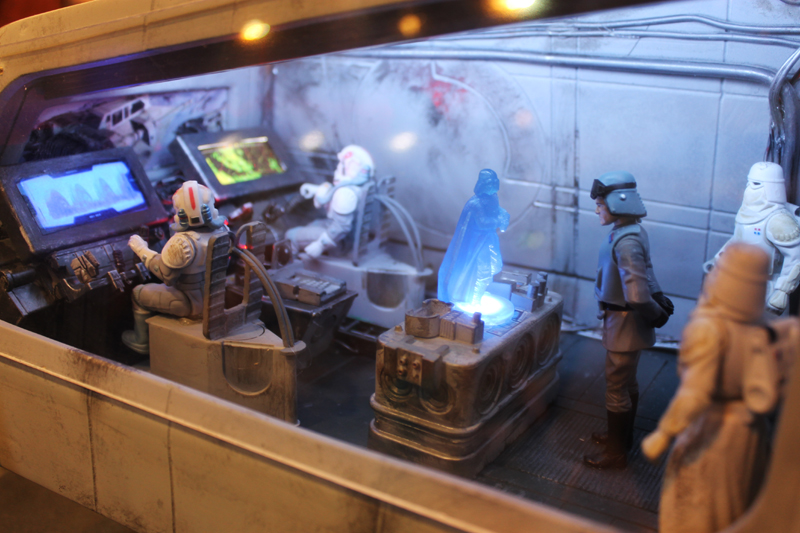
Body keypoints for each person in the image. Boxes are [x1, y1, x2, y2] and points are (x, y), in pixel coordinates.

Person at [643, 243, 787, 533]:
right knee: (737, 505)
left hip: (712, 429)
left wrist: (664, 433)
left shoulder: (710, 329)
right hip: (750, 433)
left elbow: (695, 393)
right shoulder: (764, 327)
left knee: (696, 507)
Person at [585, 171, 672, 470]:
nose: (597, 209)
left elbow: (636, 294)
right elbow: (647, 273)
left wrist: (656, 311)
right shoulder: (629, 233)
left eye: (600, 204)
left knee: (616, 385)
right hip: (622, 317)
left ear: (618, 203)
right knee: (626, 381)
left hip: (624, 322)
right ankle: (621, 438)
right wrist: (657, 300)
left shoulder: (626, 241)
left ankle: (616, 452)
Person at [122, 180, 227, 354]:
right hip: (215, 300)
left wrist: (141, 249)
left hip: (188, 304)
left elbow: (166, 276)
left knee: (138, 293)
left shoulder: (181, 243)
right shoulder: (222, 231)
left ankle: (141, 341)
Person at [705, 162, 800, 314]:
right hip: (738, 281)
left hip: (765, 287)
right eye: (749, 183)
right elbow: (738, 240)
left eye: (756, 184)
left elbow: (796, 257)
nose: (750, 188)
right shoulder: (746, 212)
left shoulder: (779, 220)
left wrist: (782, 291)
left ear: (772, 187)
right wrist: (718, 260)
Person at [437, 168, 510, 306]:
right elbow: (483, 222)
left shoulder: (492, 198)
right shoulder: (475, 204)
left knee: (490, 269)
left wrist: (503, 215)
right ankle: (474, 299)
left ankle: (476, 295)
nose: (494, 185)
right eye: (490, 183)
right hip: (476, 243)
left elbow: (496, 211)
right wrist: (499, 220)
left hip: (488, 240)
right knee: (483, 271)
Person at [286, 144, 374, 258]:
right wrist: (315, 189)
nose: (338, 168)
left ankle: (293, 262)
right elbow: (333, 191)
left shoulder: (345, 194)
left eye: (342, 164)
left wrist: (320, 245)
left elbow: (341, 228)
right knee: (312, 224)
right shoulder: (357, 187)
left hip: (341, 242)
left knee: (290, 235)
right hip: (348, 236)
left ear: (351, 167)